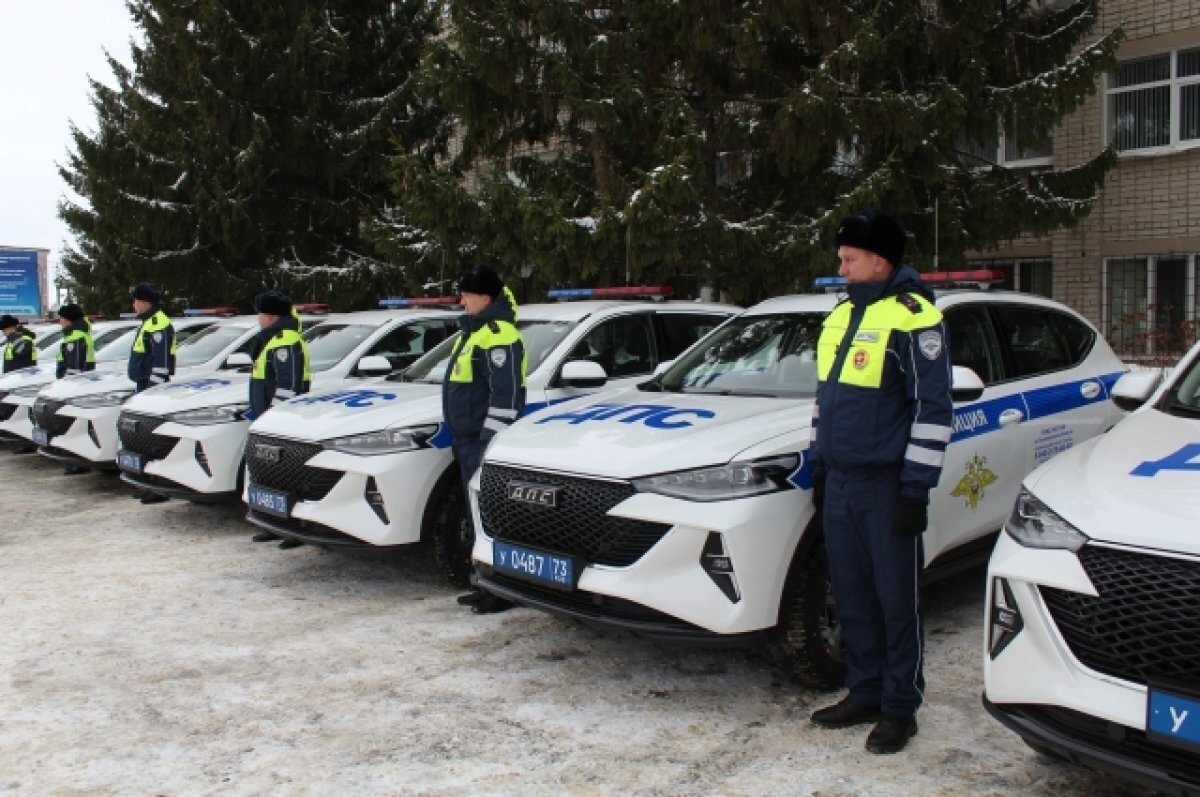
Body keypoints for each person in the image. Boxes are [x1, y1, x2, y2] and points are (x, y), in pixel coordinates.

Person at [807, 210, 953, 754]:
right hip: (841, 481)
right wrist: (821, 467)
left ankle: (899, 706)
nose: (840, 267)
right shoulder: (841, 316)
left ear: (880, 261)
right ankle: (864, 690)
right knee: (853, 596)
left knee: (897, 600)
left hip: (887, 484)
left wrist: (915, 489)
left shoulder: (915, 318)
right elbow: (825, 401)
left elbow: (933, 411)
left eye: (849, 258)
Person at [444, 265, 526, 614]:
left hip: (482, 444)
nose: (461, 301)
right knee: (476, 516)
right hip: (467, 441)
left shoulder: (499, 334)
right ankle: (484, 581)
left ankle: (502, 589)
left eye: (467, 294)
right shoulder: (474, 332)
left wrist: (489, 444)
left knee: (492, 519)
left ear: (486, 298)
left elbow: (505, 398)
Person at [246, 290, 311, 549]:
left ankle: (293, 530)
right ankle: (273, 525)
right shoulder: (273, 339)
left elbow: (288, 386)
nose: (258, 318)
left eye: (261, 314)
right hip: (268, 421)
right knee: (268, 477)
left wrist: (276, 418)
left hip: (280, 423)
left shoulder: (285, 340)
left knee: (285, 478)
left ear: (271, 316)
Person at [127, 283, 176, 503]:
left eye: (136, 300)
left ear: (145, 302)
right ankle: (149, 483)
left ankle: (159, 487)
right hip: (144, 388)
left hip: (152, 390)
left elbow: (161, 363)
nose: (133, 305)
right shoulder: (149, 323)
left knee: (154, 439)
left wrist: (152, 393)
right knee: (144, 438)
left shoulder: (158, 324)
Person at [53, 304, 97, 474]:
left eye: (62, 318)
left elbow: (75, 367)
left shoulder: (76, 336)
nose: (60, 321)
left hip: (75, 388)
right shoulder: (75, 334)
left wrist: (67, 385)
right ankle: (76, 461)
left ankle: (78, 462)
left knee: (75, 425)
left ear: (68, 319)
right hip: (74, 386)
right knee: (74, 425)